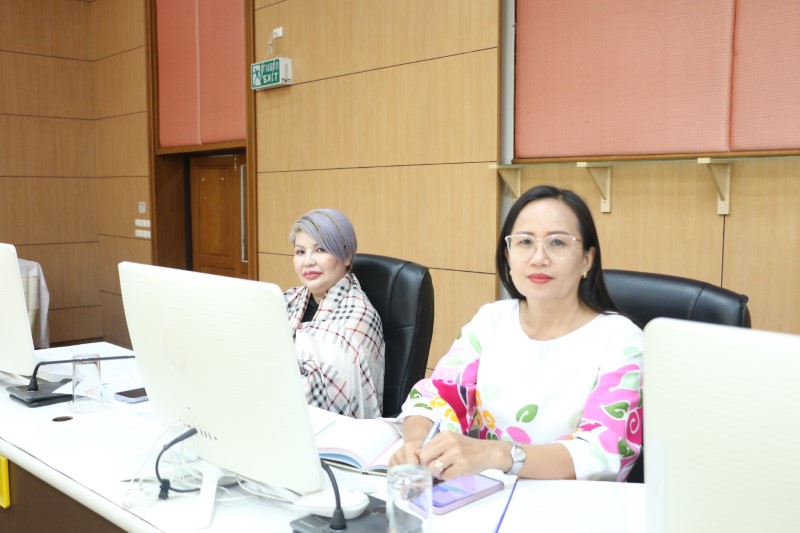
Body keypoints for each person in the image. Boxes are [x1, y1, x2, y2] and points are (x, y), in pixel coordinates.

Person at [389, 185, 643, 481]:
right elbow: (436, 398)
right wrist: (416, 445)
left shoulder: (620, 339)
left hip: (574, 503)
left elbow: (602, 452)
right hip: (489, 497)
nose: (538, 257)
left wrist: (502, 455)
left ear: (587, 259)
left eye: (557, 242)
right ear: (508, 256)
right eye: (524, 242)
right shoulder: (491, 321)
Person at [284, 208, 385, 419]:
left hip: (328, 427)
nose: (308, 261)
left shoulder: (359, 317)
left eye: (320, 250)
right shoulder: (287, 301)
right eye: (300, 252)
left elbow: (331, 401)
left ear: (346, 256)